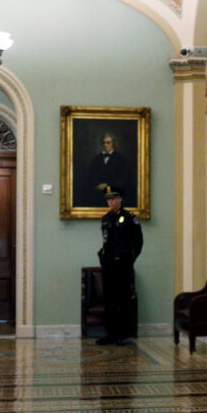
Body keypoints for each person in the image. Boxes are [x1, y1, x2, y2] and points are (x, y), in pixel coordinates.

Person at [96, 187, 143, 345]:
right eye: (108, 199)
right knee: (109, 300)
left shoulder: (130, 218)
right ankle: (110, 333)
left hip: (123, 265)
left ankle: (123, 334)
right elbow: (105, 240)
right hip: (109, 265)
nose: (110, 202)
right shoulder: (106, 218)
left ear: (120, 199)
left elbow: (138, 242)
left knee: (124, 299)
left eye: (113, 198)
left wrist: (129, 259)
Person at [85, 133, 132, 207]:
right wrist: (97, 185)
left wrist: (108, 185)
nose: (105, 145)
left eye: (108, 143)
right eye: (104, 143)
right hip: (97, 196)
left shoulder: (121, 159)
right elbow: (90, 176)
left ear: (113, 143)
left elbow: (124, 178)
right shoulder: (96, 159)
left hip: (114, 196)